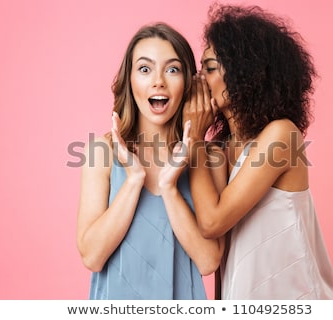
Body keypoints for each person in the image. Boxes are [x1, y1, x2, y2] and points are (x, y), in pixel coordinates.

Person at [186, 3, 333, 299]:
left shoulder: (281, 136)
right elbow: (217, 252)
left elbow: (212, 222)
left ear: (245, 73)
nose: (199, 79)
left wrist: (194, 138)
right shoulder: (217, 150)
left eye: (209, 67)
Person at [76, 22, 225, 299]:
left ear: (189, 84)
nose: (159, 81)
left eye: (172, 69)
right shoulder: (101, 152)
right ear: (129, 81)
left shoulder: (210, 158)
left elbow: (209, 261)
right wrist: (134, 179)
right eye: (145, 69)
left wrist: (169, 187)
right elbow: (92, 257)